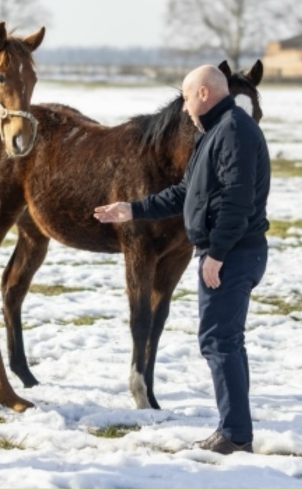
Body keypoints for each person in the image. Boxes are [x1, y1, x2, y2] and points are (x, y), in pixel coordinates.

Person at [94, 64, 270, 455]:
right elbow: (185, 193)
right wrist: (132, 210)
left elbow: (237, 201)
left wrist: (217, 254)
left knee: (220, 341)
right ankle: (234, 428)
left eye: (187, 97)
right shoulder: (215, 133)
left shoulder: (234, 132)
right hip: (230, 251)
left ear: (204, 94)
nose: (184, 106)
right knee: (224, 341)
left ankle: (236, 435)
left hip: (234, 253)